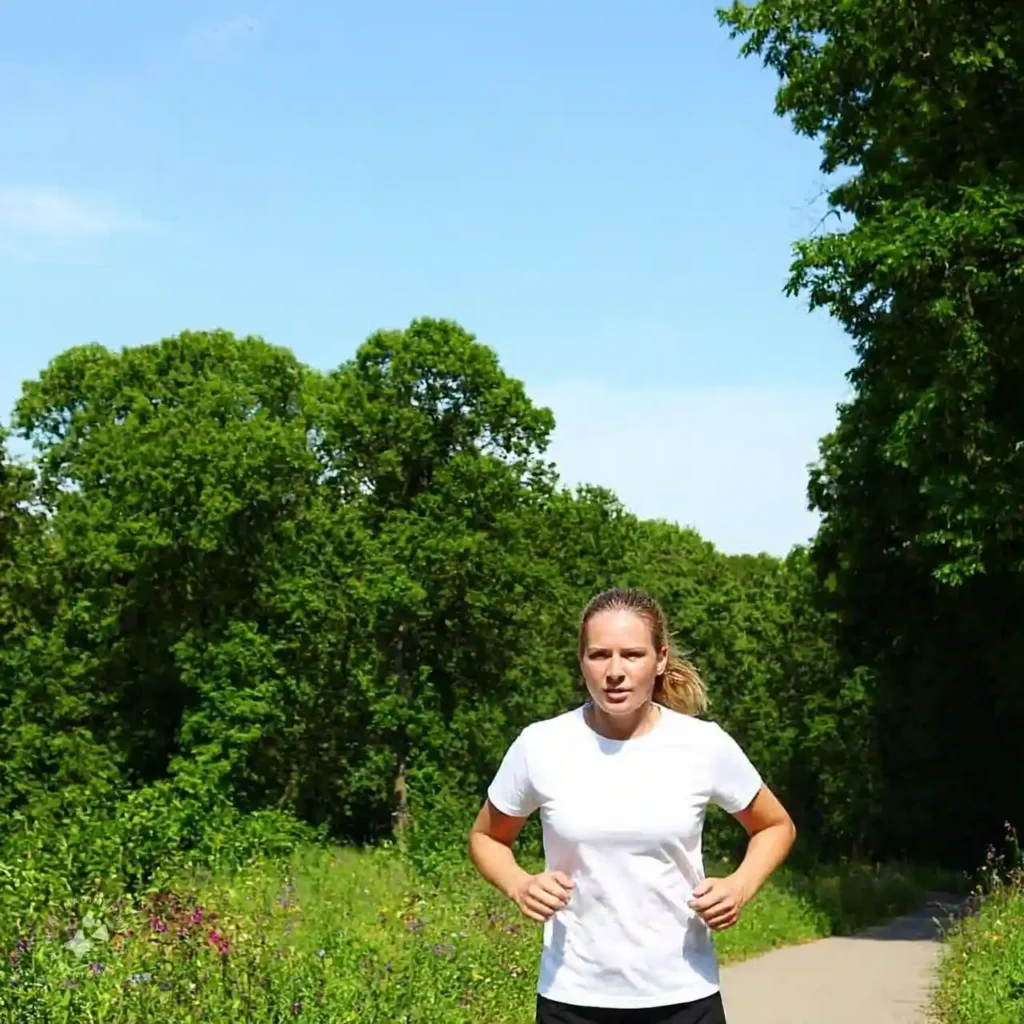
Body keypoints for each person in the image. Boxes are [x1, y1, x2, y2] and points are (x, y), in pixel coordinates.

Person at [468, 587, 796, 1024]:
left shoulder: (702, 745)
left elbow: (775, 826)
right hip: (573, 997)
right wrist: (518, 883)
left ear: (660, 659)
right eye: (599, 655)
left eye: (632, 655)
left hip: (683, 996)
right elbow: (486, 836)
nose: (615, 672)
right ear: (581, 659)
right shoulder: (541, 745)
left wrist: (739, 885)